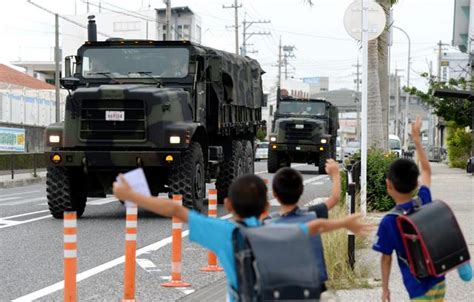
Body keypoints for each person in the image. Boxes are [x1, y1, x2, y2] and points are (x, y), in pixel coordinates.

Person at [113, 173, 372, 301]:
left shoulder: (228, 234)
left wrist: (133, 196)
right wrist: (343, 222)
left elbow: (175, 210)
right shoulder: (276, 228)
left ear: (228, 204)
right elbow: (313, 227)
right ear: (264, 208)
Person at [372, 116, 446, 301]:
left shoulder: (389, 221)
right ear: (415, 185)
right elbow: (427, 172)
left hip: (418, 287)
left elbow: (386, 258)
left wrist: (385, 289)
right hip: (438, 280)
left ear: (389, 185)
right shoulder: (423, 199)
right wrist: (417, 141)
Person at [268, 160, 341, 293]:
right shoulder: (312, 214)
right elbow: (335, 198)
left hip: (282, 289)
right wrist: (335, 174)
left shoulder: (268, 223)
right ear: (301, 191)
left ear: (274, 194)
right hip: (313, 288)